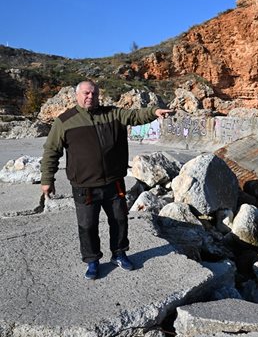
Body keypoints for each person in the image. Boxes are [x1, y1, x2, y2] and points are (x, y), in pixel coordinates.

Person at [40, 80, 173, 280]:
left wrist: (153, 112)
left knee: (119, 220)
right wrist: (47, 178)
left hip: (114, 182)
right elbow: (51, 151)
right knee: (87, 225)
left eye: (93, 93)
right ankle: (92, 261)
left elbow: (135, 116)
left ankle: (119, 254)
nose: (90, 97)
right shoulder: (65, 121)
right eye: (86, 93)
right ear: (77, 95)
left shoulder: (113, 114)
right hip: (84, 185)